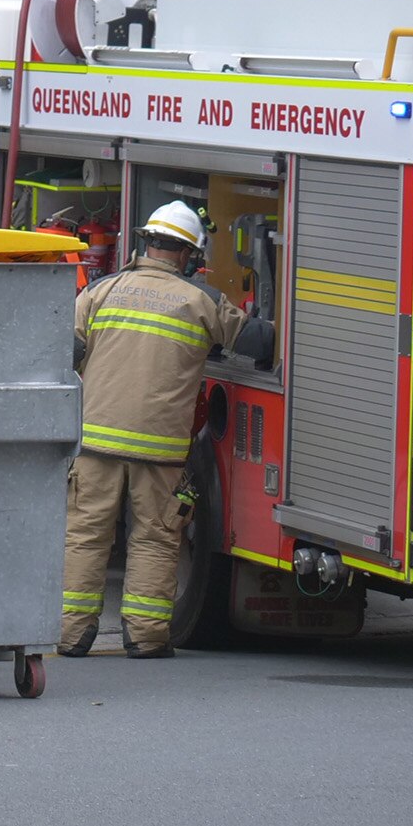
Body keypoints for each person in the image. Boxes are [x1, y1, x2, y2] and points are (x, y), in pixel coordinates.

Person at [60, 200, 273, 659]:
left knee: (85, 536)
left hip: (95, 441)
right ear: (187, 254)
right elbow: (260, 342)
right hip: (160, 452)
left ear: (147, 244)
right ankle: (146, 638)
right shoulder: (203, 301)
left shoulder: (101, 291)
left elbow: (66, 355)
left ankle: (72, 635)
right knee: (155, 538)